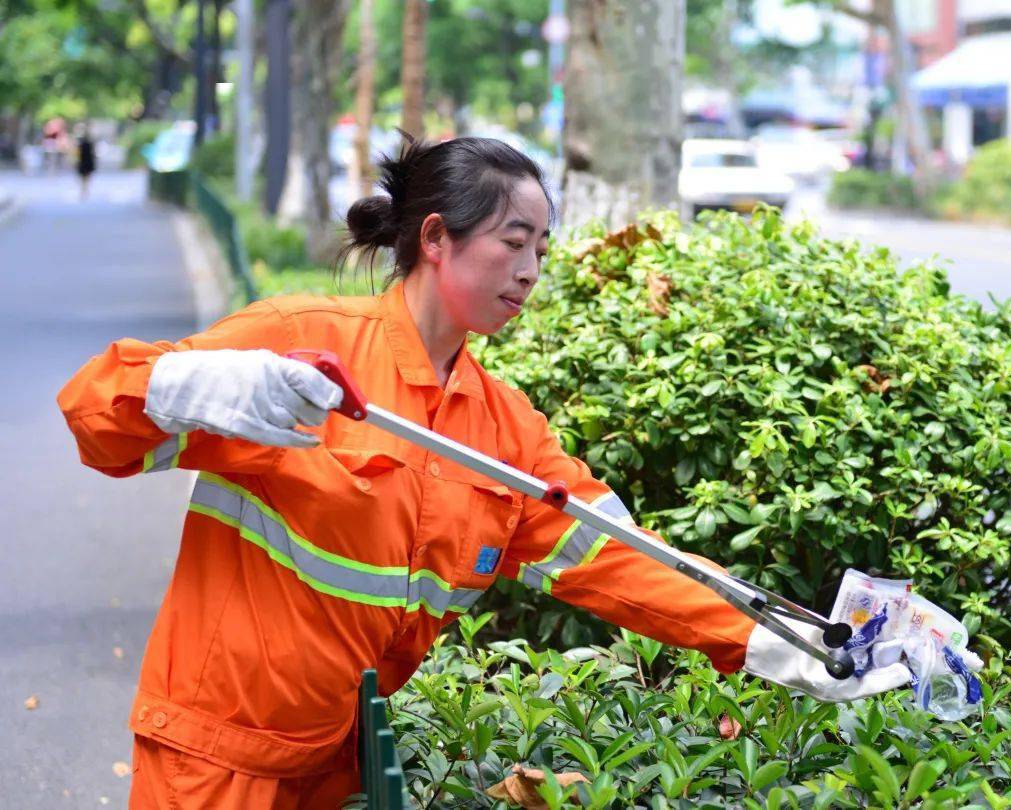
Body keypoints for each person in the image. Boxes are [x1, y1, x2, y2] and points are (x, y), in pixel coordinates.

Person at [57, 134, 910, 809]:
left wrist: (789, 641)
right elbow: (97, 420)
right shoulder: (301, 347)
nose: (533, 269)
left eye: (543, 244)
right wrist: (182, 386)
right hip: (216, 760)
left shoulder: (504, 433)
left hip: (339, 767)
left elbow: (626, 558)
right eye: (514, 241)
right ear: (436, 239)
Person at [75, 123, 96, 200]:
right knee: (86, 178)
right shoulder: (89, 143)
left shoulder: (81, 143)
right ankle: (84, 190)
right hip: (87, 162)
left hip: (83, 162)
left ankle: (84, 190)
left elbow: (78, 153)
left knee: (83, 178)